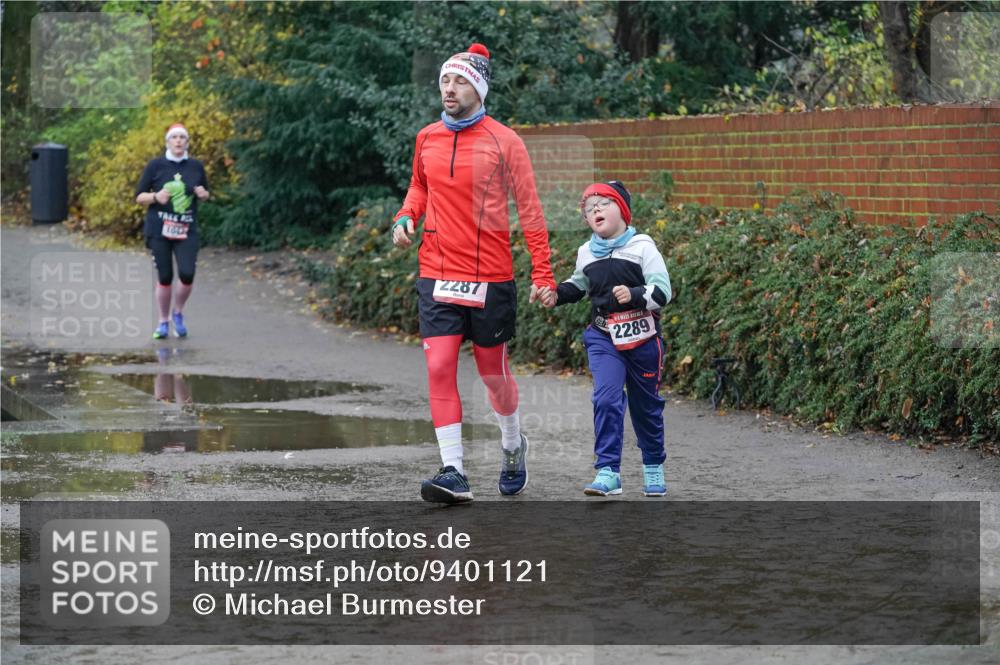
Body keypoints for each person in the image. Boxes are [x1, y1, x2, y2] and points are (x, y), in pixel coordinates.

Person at [391, 43, 556, 504]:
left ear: (479, 87)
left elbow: (531, 211)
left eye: (460, 80)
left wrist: (542, 274)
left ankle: (511, 444)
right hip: (437, 271)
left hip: (490, 277)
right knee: (439, 366)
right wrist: (405, 218)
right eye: (445, 80)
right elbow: (418, 189)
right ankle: (453, 470)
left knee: (492, 375)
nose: (449, 88)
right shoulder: (427, 137)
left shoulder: (506, 142)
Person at [536, 181, 672, 496]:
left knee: (645, 407)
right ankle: (608, 471)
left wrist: (636, 294)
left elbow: (663, 292)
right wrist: (555, 294)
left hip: (643, 340)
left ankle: (653, 465)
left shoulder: (643, 247)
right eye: (589, 208)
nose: (595, 209)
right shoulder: (587, 252)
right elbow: (579, 283)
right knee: (606, 399)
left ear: (622, 210)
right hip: (604, 337)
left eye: (603, 203)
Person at [135, 123, 209, 339]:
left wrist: (204, 194)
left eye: (182, 138)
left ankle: (177, 313)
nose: (178, 141)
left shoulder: (196, 167)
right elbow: (139, 196)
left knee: (187, 274)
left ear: (187, 142)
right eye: (174, 137)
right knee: (165, 277)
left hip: (186, 229)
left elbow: (204, 192)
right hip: (160, 230)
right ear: (167, 142)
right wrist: (156, 197)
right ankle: (163, 321)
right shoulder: (155, 166)